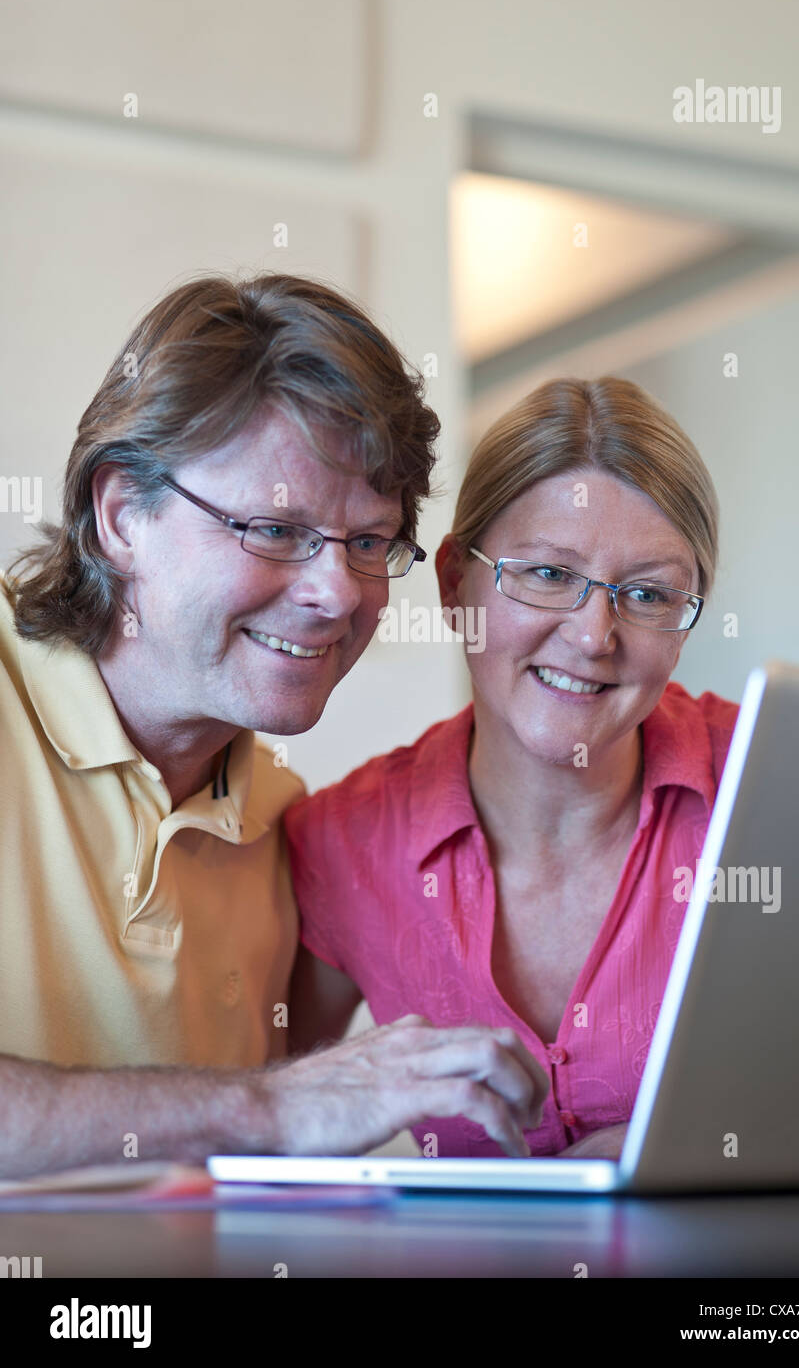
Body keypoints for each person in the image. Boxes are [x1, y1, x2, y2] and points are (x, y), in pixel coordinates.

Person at [0, 272, 548, 1179]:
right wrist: (269, 1107)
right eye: (275, 529)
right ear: (122, 515)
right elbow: (272, 1117)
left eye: (369, 542)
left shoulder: (286, 821)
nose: (338, 593)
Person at [285, 376, 739, 1159]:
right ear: (453, 580)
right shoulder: (341, 840)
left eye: (646, 594)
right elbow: (267, 1133)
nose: (594, 636)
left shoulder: (776, 784)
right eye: (547, 575)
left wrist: (669, 1148)